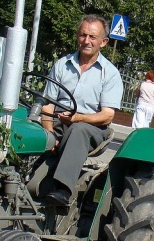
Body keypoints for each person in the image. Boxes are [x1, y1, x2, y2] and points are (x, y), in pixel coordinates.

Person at [41, 15, 123, 205]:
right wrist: (49, 133)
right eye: (83, 35)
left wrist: (78, 118)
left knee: (78, 130)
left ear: (103, 42)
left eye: (92, 37)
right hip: (58, 121)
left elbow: (107, 115)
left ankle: (63, 189)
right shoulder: (62, 65)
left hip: (92, 127)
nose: (86, 41)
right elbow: (47, 105)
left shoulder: (110, 73)